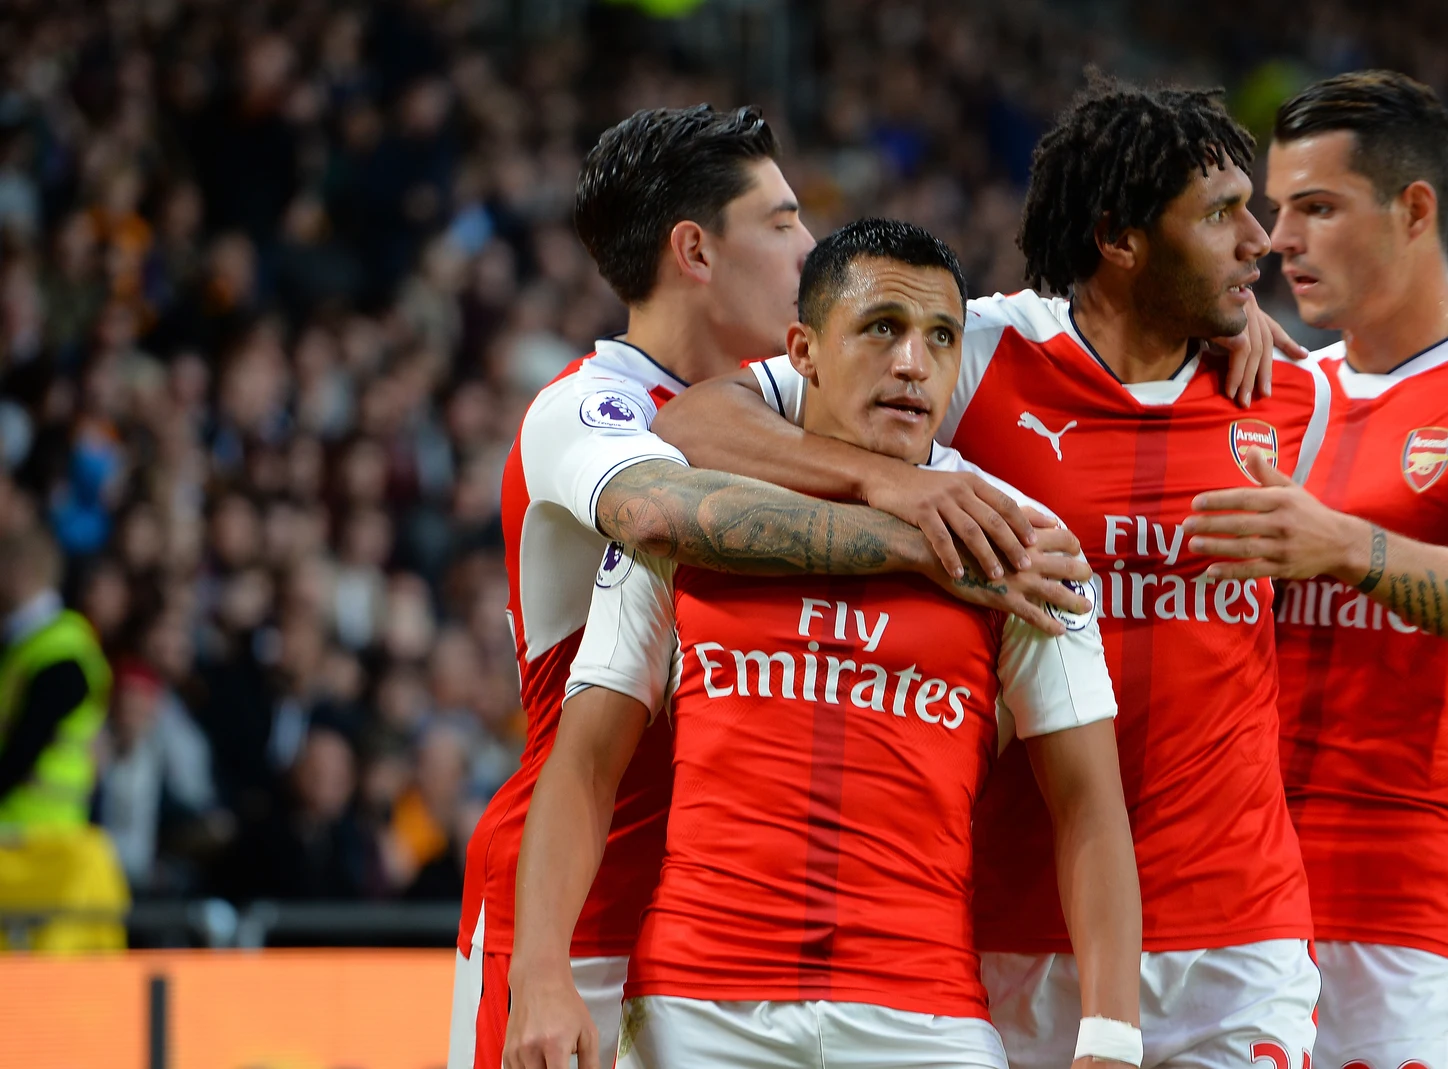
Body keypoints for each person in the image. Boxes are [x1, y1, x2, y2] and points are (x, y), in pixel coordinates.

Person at [656, 79, 1328, 1069]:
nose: (1260, 240)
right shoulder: (971, 351)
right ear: (1121, 239)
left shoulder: (1289, 392)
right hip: (1012, 928)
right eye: (1224, 214)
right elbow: (697, 421)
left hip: (1238, 931)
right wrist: (895, 491)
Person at [447, 106, 1093, 1069]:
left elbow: (1019, 326)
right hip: (576, 912)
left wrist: (1230, 314)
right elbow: (667, 514)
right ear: (696, 251)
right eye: (785, 221)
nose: (812, 244)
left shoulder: (800, 397)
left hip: (725, 937)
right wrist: (929, 528)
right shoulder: (589, 407)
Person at [1182, 70, 1448, 1069]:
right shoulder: (1281, 391)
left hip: (1408, 900)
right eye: (1278, 211)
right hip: (1244, 889)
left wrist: (1343, 549)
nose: (1282, 239)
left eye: (1318, 208)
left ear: (1415, 210)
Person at [0, 520, 127, 950]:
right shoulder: (26, 645)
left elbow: (21, 752)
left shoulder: (60, 651)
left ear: (19, 571)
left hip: (41, 848)